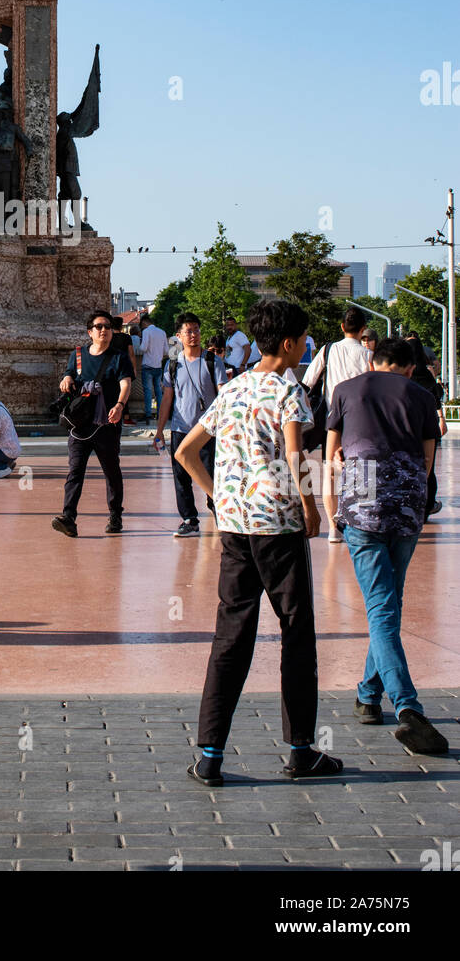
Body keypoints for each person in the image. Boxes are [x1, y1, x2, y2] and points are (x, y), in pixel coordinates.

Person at [176, 299, 342, 785]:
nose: (304, 349)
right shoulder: (290, 391)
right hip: (279, 529)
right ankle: (300, 751)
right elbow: (295, 455)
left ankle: (209, 756)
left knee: (231, 636)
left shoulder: (231, 388)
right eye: (303, 342)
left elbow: (187, 451)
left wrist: (218, 496)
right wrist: (310, 509)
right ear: (289, 344)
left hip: (235, 529)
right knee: (296, 633)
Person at [324, 337, 447, 755]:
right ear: (409, 367)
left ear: (373, 361)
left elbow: (333, 454)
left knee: (381, 607)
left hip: (362, 502)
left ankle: (400, 705)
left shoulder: (345, 389)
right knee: (389, 602)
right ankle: (372, 697)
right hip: (407, 505)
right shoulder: (421, 394)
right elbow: (429, 460)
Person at [51, 310, 134, 537]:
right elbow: (68, 375)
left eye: (107, 326)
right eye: (99, 327)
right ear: (90, 332)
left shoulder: (119, 357)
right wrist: (66, 379)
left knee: (111, 471)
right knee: (75, 471)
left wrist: (119, 405)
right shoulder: (77, 355)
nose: (104, 330)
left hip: (107, 422)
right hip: (80, 424)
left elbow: (126, 383)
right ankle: (68, 517)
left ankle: (115, 515)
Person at [302, 306, 373, 540]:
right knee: (362, 471)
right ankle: (361, 526)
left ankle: (333, 529)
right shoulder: (368, 356)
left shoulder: (328, 350)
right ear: (363, 330)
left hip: (332, 420)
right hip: (361, 421)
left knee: (330, 473)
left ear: (342, 327)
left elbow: (308, 381)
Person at [154, 313, 228, 538]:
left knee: (212, 473)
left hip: (208, 429)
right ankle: (189, 519)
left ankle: (219, 511)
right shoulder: (173, 364)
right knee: (181, 476)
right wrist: (159, 430)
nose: (194, 335)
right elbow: (167, 398)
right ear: (179, 336)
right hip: (180, 427)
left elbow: (223, 394)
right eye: (189, 331)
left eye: (196, 330)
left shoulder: (213, 361)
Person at [407, 336, 446, 519]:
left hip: (409, 428)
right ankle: (428, 504)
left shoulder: (404, 374)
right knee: (428, 467)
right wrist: (441, 419)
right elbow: (436, 398)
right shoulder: (427, 374)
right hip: (428, 427)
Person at [136, 312, 169, 426]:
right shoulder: (162, 332)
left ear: (144, 323)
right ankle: (160, 414)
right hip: (158, 366)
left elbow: (143, 348)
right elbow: (166, 351)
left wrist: (139, 345)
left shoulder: (146, 331)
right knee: (159, 391)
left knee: (148, 391)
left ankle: (148, 414)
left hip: (147, 365)